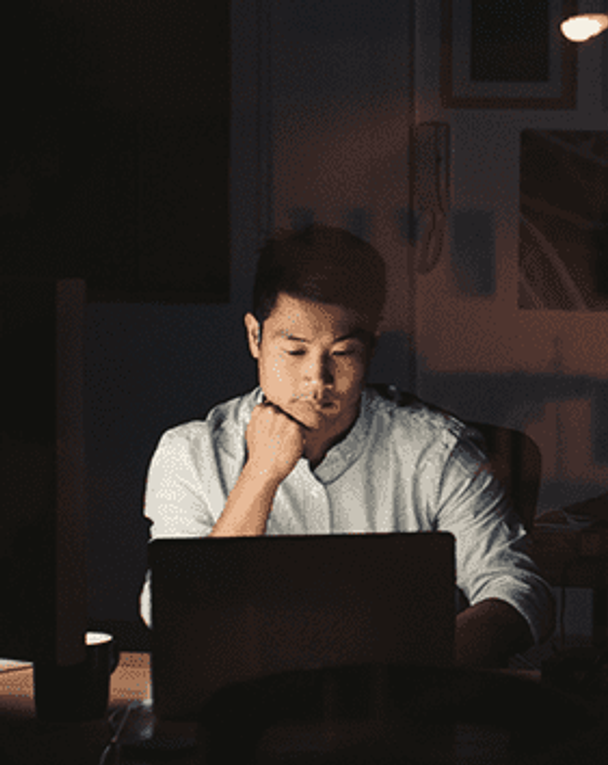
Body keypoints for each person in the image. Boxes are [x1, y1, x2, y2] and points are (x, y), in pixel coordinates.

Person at [139, 224, 555, 667]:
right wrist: (260, 475)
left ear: (371, 348)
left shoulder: (435, 451)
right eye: (295, 352)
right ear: (255, 338)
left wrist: (414, 674)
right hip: (244, 710)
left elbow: (517, 589)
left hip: (402, 708)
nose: (317, 379)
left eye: (342, 352)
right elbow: (174, 613)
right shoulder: (189, 453)